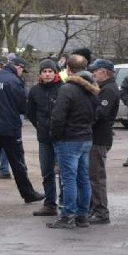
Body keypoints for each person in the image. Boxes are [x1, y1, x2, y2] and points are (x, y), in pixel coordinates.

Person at [0, 55, 45, 208]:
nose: (22, 73)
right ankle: (28, 194)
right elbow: (22, 106)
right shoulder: (14, 81)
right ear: (18, 67)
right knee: (18, 163)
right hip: (8, 128)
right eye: (22, 70)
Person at [47, 54, 99, 229]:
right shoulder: (92, 88)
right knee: (83, 178)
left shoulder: (67, 89)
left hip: (69, 139)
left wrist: (56, 136)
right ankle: (82, 215)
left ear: (68, 69)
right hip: (85, 137)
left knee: (68, 179)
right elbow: (95, 115)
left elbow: (58, 117)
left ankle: (67, 214)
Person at [25, 58, 64, 216]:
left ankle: (65, 203)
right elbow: (31, 113)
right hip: (44, 138)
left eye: (50, 71)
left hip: (61, 137)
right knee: (46, 172)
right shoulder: (35, 91)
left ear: (55, 72)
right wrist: (40, 126)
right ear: (40, 74)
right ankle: (49, 204)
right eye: (44, 71)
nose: (47, 74)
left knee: (63, 172)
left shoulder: (63, 88)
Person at [89, 59, 119, 224]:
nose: (93, 73)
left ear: (104, 72)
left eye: (96, 70)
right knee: (93, 175)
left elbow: (100, 113)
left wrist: (83, 121)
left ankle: (101, 212)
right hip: (98, 137)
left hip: (99, 138)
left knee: (96, 176)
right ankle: (95, 209)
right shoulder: (105, 87)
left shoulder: (108, 90)